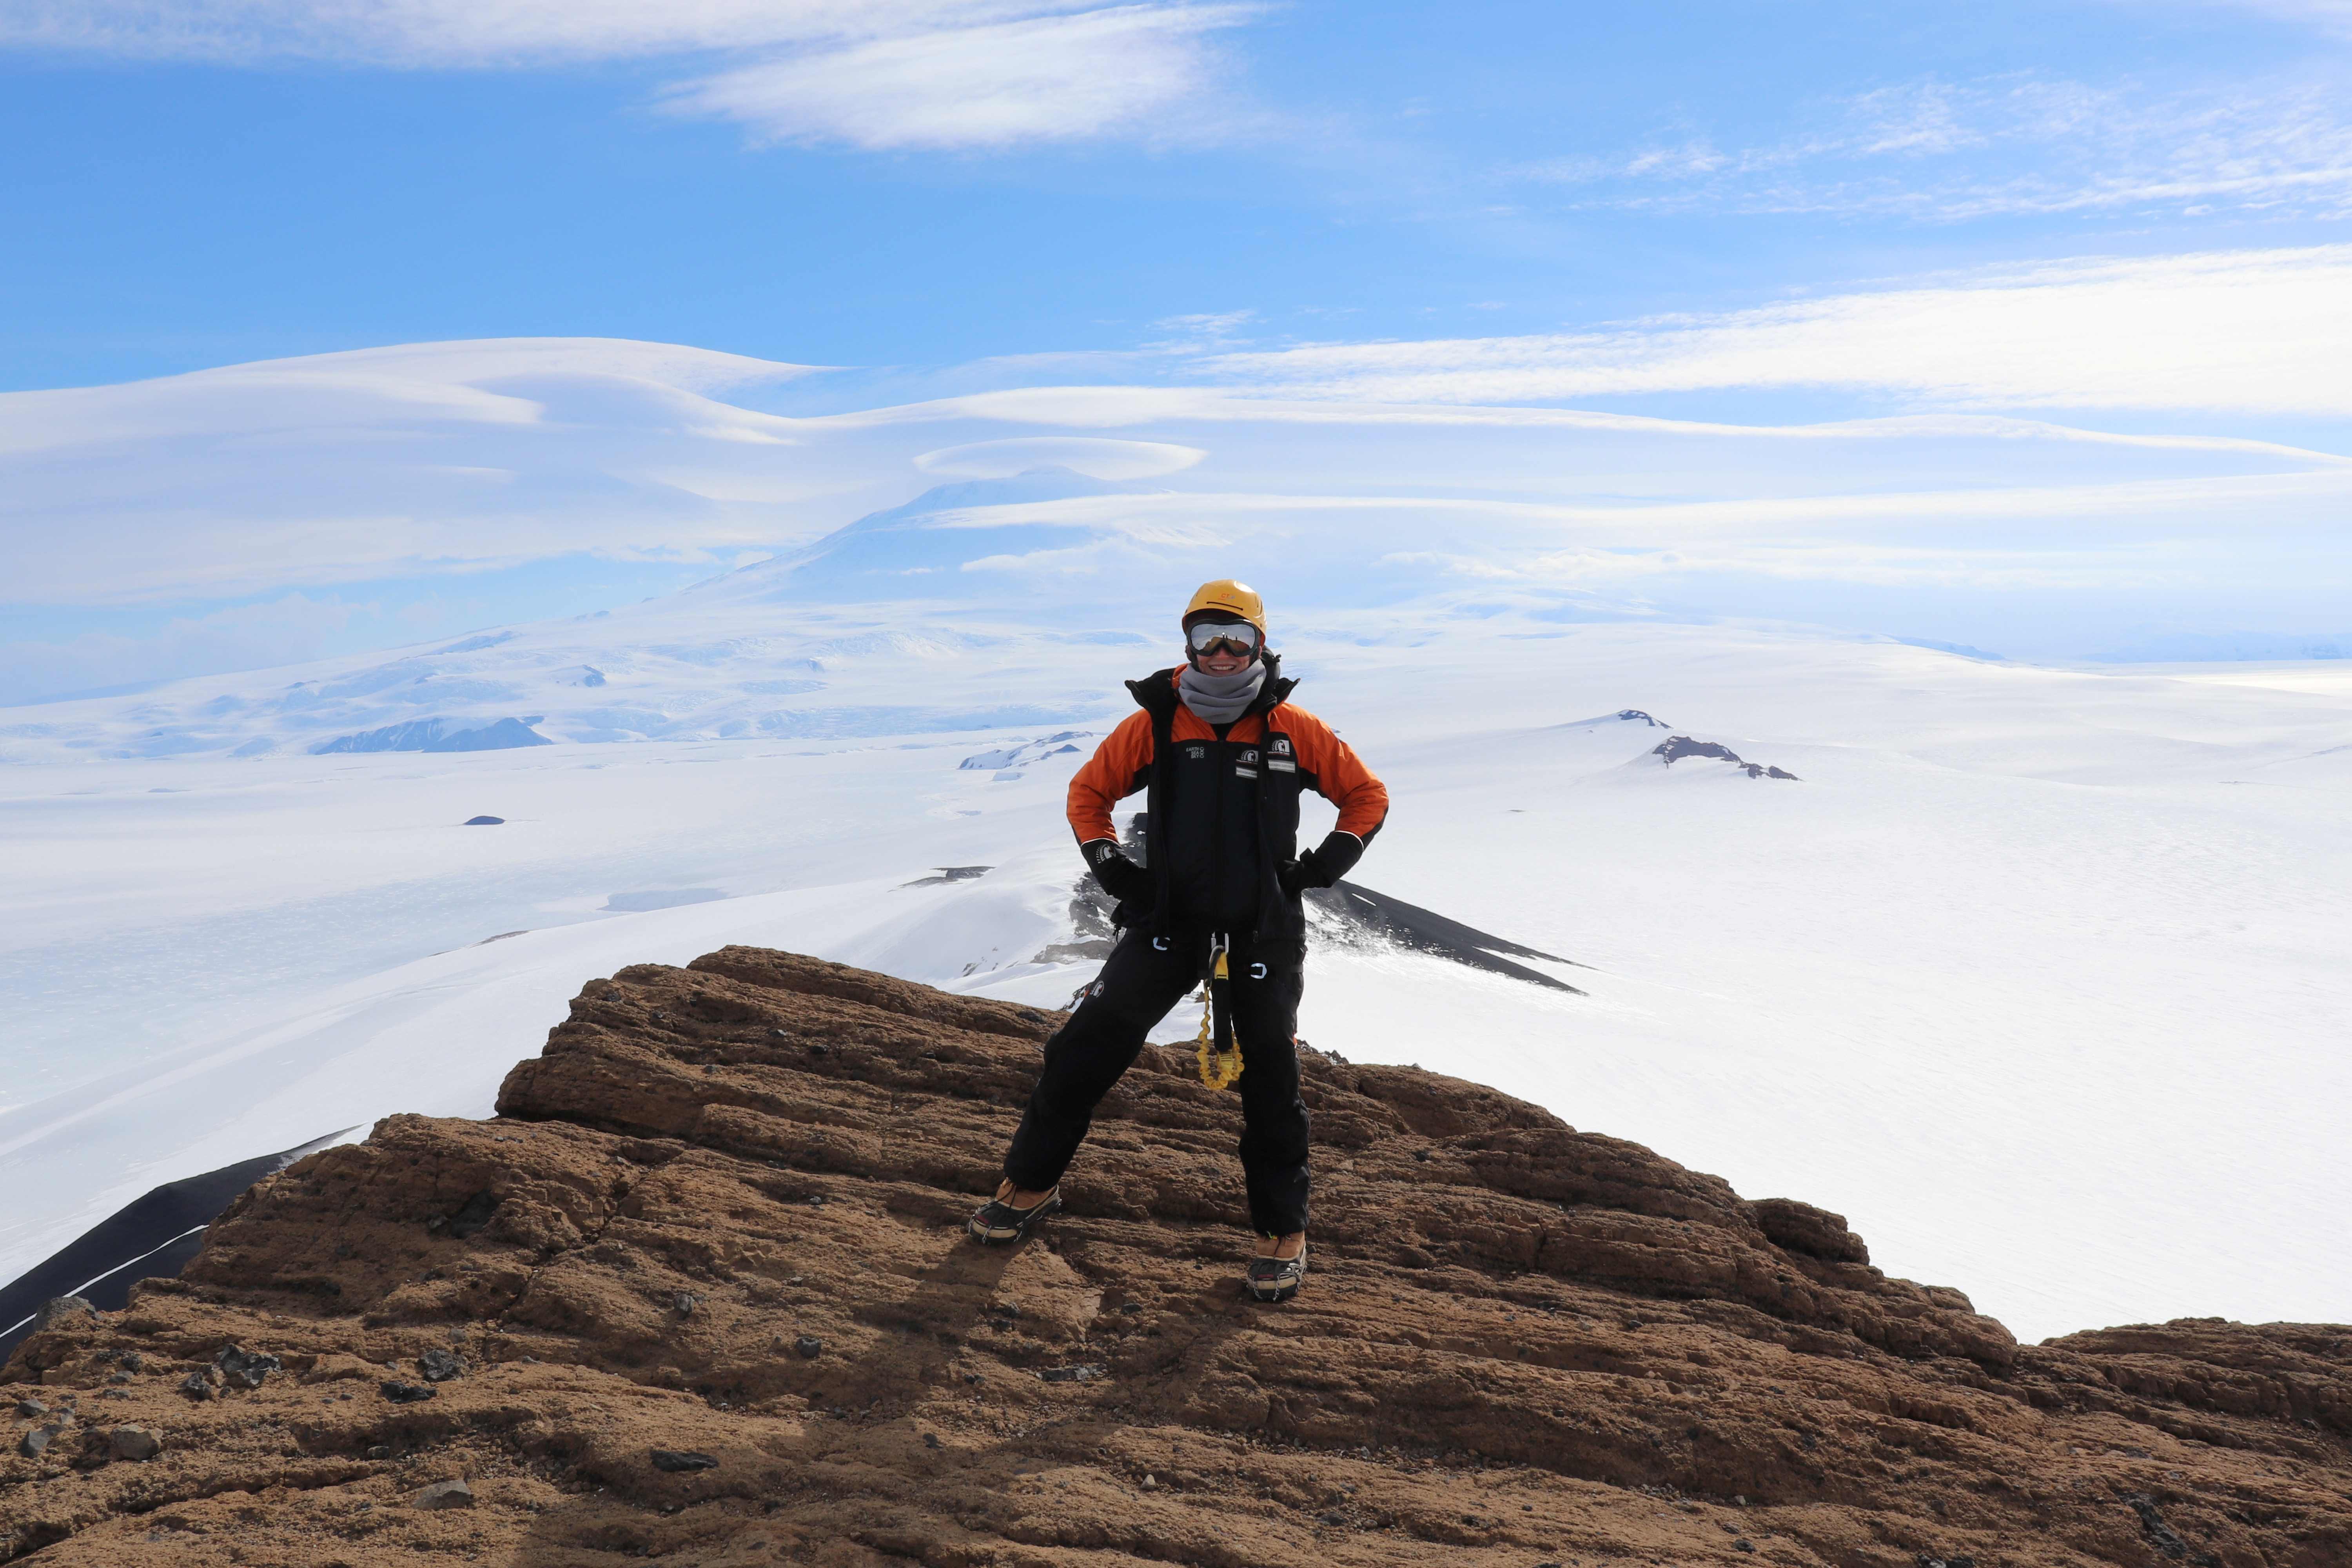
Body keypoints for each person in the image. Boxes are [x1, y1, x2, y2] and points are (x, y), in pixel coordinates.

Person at [967, 581, 1389, 1302]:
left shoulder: (1294, 729)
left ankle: (1281, 1233)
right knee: (1082, 1048)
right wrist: (1115, 873)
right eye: (1206, 640)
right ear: (1185, 645)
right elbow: (1087, 795)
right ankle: (1028, 1187)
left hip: (1264, 925)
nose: (1221, 655)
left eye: (1237, 640)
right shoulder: (1158, 725)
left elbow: (1367, 796)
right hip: (1170, 919)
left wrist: (1326, 865)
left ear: (1261, 644)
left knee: (1270, 1081)